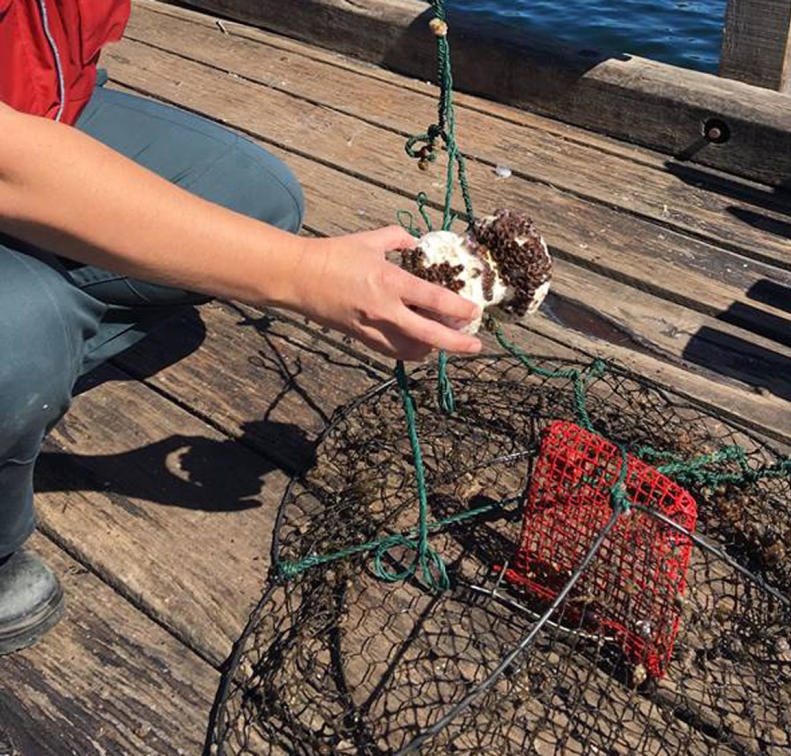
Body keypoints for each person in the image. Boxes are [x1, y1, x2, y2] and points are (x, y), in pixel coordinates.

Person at [0, 0, 482, 655]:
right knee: (23, 338)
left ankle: (39, 310)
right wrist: (305, 274)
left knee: (256, 201)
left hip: (42, 98)